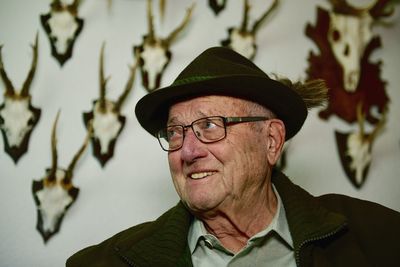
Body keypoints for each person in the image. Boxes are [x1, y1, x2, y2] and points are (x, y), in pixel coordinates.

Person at [66, 47, 400, 267]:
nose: (188, 150)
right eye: (175, 132)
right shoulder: (105, 263)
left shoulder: (380, 238)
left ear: (271, 140)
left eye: (210, 125)